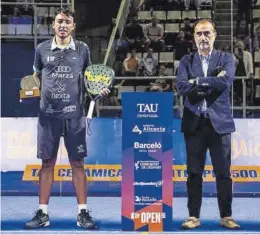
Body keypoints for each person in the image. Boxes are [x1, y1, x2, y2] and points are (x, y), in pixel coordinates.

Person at [24, 7, 109, 230]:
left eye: (67, 22)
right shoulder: (42, 49)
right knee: (47, 164)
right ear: (53, 25)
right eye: (59, 21)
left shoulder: (82, 49)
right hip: (48, 116)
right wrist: (29, 90)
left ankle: (83, 213)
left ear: (73, 26)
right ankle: (42, 212)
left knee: (78, 164)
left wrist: (97, 91)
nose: (63, 25)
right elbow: (35, 76)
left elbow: (90, 80)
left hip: (75, 115)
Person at [176, 19, 240, 229]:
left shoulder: (227, 58)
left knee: (223, 173)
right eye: (199, 34)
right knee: (194, 173)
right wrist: (210, 82)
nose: (203, 38)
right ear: (194, 37)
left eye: (207, 33)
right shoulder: (186, 60)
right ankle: (193, 216)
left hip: (219, 124)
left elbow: (225, 82)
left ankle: (226, 216)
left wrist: (198, 82)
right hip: (194, 124)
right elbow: (182, 87)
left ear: (214, 35)